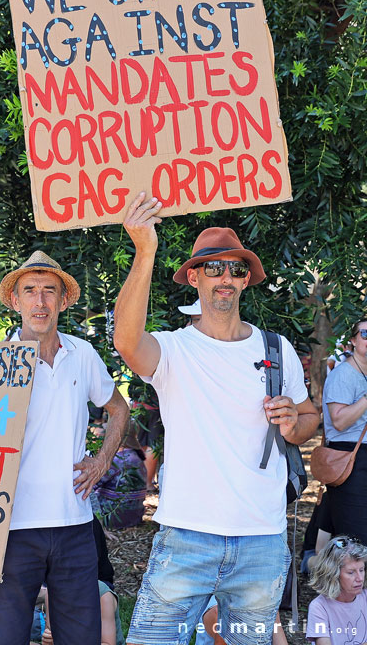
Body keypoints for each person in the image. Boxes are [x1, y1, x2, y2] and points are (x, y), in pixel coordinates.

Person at [113, 193, 319, 645]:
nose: (225, 277)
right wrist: (145, 250)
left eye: (236, 269)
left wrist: (292, 422)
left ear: (246, 282)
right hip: (187, 536)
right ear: (193, 277)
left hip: (262, 542)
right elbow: (127, 341)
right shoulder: (174, 350)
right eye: (213, 267)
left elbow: (308, 419)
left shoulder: (275, 348)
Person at [0, 250, 125, 645]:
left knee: (80, 638)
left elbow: (119, 408)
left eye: (49, 291)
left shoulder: (82, 354)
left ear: (63, 300)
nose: (40, 302)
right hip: (9, 526)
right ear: (14, 301)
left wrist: (101, 461)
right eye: (30, 291)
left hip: (74, 524)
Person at [321, 316, 367, 545]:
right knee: (357, 535)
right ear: (353, 341)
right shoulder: (343, 375)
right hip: (349, 458)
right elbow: (339, 421)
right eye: (365, 334)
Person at [306, 535, 367, 644]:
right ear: (333, 574)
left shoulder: (365, 597)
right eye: (351, 572)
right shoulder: (319, 607)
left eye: (361, 570)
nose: (360, 578)